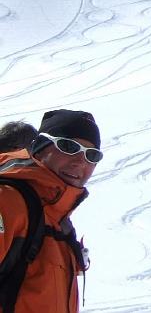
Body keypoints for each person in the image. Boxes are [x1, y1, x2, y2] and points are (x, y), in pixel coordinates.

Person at [0, 109, 103, 312]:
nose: (80, 161)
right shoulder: (8, 202)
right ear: (39, 147)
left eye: (92, 155)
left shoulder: (57, 218)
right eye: (69, 147)